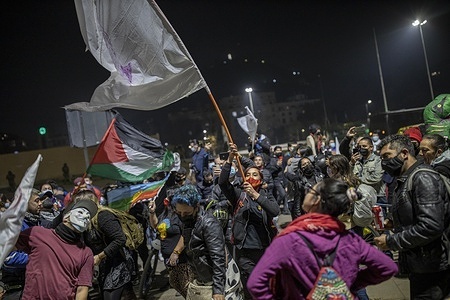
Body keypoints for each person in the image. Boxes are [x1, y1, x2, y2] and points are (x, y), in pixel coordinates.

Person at [247, 178, 398, 299]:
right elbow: (388, 267)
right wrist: (349, 283)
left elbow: (255, 284)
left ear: (316, 200)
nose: (307, 192)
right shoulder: (351, 239)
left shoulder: (289, 239)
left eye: (310, 190)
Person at [374, 134, 450, 299]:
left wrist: (391, 241)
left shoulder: (423, 177)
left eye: (387, 156)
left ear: (404, 153)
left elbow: (431, 226)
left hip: (431, 266)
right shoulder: (406, 178)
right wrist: (394, 222)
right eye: (381, 158)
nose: (384, 162)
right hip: (419, 263)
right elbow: (416, 213)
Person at [219, 143, 280, 299]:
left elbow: (274, 211)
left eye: (255, 175)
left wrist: (255, 194)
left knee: (267, 284)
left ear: (260, 179)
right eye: (248, 175)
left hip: (265, 249)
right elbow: (222, 182)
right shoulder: (238, 194)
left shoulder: (265, 194)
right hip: (244, 250)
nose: (251, 177)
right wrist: (231, 158)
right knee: (251, 284)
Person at [15, 195, 98, 300]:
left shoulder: (86, 253)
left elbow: (82, 289)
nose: (86, 217)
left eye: (88, 216)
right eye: (81, 212)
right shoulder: (37, 233)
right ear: (66, 217)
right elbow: (8, 246)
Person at [171, 185, 243, 300]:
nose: (183, 216)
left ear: (196, 207)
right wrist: (176, 252)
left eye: (187, 213)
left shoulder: (209, 223)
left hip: (220, 277)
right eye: (179, 213)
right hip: (202, 277)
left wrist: (218, 290)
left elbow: (218, 257)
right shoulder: (187, 221)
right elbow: (185, 238)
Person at [148, 191, 194, 298]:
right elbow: (155, 225)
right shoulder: (165, 213)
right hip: (169, 260)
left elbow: (185, 235)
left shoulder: (180, 215)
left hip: (182, 259)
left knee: (187, 288)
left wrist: (175, 253)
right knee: (176, 284)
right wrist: (152, 212)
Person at [1, 189, 44, 299]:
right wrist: (39, 258)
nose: (41, 204)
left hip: (35, 284)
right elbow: (8, 259)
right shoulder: (12, 226)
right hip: (17, 287)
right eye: (37, 201)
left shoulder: (38, 222)